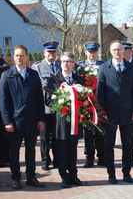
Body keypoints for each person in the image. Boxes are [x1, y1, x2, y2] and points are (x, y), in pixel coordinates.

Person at [0, 45, 45, 190]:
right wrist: (7, 121)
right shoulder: (7, 75)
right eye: (17, 55)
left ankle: (31, 177)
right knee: (14, 151)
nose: (19, 58)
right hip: (15, 120)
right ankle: (16, 178)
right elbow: (3, 101)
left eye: (22, 55)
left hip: (32, 120)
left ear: (27, 57)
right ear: (14, 57)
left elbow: (39, 99)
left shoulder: (33, 75)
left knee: (31, 149)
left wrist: (41, 119)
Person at [97, 40, 133, 184]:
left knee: (127, 144)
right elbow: (100, 92)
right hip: (109, 114)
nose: (117, 52)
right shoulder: (104, 68)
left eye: (119, 50)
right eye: (114, 50)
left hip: (127, 113)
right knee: (109, 145)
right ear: (110, 52)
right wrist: (102, 111)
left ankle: (127, 173)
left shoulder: (131, 67)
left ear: (124, 51)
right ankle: (111, 174)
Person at [45, 52, 87, 188]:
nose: (66, 64)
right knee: (62, 151)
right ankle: (64, 177)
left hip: (75, 122)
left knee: (73, 151)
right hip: (60, 121)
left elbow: (85, 99)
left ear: (74, 63)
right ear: (60, 62)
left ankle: (74, 176)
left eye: (69, 61)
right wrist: (62, 102)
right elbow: (47, 100)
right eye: (63, 61)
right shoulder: (53, 79)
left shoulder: (79, 79)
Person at [32, 41, 61, 171]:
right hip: (45, 106)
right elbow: (39, 85)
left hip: (60, 107)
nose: (51, 54)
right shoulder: (37, 66)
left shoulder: (61, 65)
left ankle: (57, 160)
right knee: (44, 137)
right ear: (44, 53)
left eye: (53, 52)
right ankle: (45, 160)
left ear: (57, 53)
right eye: (49, 52)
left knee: (57, 136)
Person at [77, 41, 105, 168]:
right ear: (85, 52)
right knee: (88, 133)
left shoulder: (103, 66)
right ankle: (89, 158)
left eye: (94, 51)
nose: (92, 54)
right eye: (89, 51)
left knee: (100, 132)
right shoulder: (79, 67)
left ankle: (102, 157)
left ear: (97, 52)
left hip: (99, 104)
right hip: (86, 104)